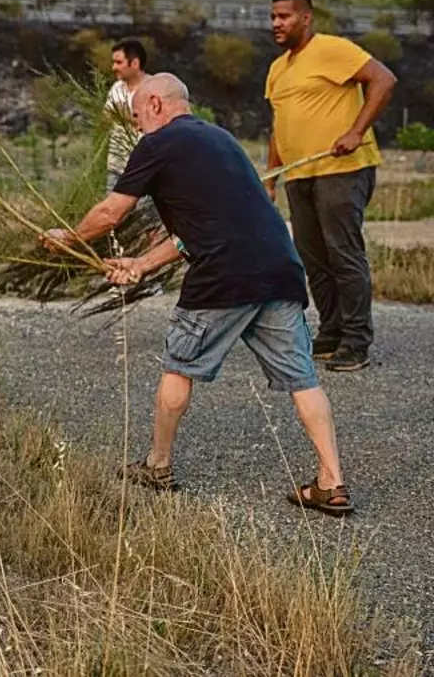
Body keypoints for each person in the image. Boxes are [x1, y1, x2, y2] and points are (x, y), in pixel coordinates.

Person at [42, 75, 353, 516]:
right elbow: (197, 231)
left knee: (179, 366)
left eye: (136, 116)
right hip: (279, 269)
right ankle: (332, 483)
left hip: (222, 275)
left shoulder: (157, 143)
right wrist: (141, 263)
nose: (136, 127)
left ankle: (158, 465)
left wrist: (69, 238)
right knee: (303, 379)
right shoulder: (222, 140)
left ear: (155, 103)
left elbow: (111, 212)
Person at [265, 0, 397, 372]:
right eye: (273, 17)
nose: (276, 23)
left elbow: (384, 80)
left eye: (284, 16)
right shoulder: (277, 69)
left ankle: (356, 341)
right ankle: (332, 331)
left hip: (342, 171)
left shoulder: (333, 49)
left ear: (305, 18)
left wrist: (356, 131)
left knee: (343, 253)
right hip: (298, 174)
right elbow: (279, 125)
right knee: (313, 258)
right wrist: (271, 177)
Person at [105, 39, 150, 190]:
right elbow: (106, 117)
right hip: (115, 166)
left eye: (119, 62)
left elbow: (150, 124)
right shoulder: (116, 88)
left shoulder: (154, 89)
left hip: (143, 168)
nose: (114, 67)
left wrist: (122, 114)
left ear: (135, 63)